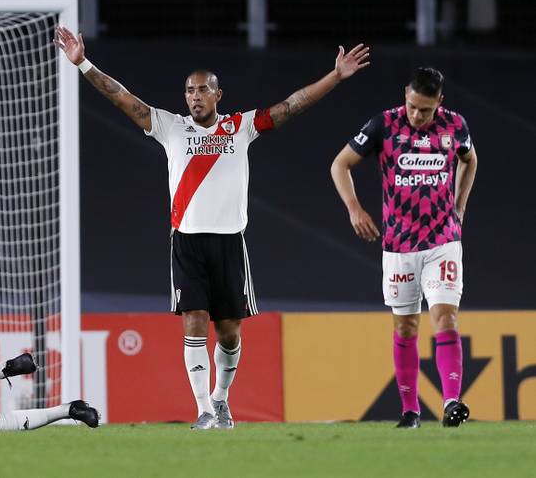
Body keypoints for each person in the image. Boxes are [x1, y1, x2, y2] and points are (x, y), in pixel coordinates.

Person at [54, 25, 370, 429]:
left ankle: (221, 399)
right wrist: (82, 63)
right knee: (194, 322)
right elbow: (122, 98)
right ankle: (203, 408)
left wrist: (336, 76)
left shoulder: (240, 127)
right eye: (189, 90)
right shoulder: (170, 127)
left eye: (203, 89)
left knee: (229, 333)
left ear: (218, 95)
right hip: (186, 242)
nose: (195, 96)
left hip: (229, 243)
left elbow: (293, 105)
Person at [330, 67, 477, 428]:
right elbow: (340, 164)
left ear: (439, 103)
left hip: (443, 241)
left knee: (445, 317)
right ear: (406, 96)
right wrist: (354, 209)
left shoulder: (455, 125)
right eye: (412, 106)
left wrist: (459, 208)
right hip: (398, 245)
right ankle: (410, 411)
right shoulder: (384, 124)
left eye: (425, 110)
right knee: (406, 327)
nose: (416, 115)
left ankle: (451, 403)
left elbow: (469, 160)